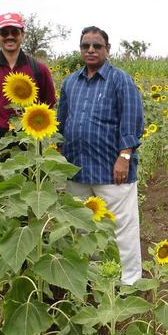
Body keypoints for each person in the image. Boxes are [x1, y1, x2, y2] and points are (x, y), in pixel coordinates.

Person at [57, 26, 145, 285]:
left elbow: (132, 120)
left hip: (111, 168)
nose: (91, 50)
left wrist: (124, 157)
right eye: (86, 46)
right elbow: (62, 120)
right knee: (84, 226)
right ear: (80, 49)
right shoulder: (71, 82)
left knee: (122, 227)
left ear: (108, 49)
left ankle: (130, 281)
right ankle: (97, 277)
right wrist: (60, 158)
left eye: (97, 46)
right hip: (77, 167)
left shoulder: (120, 80)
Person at [0, 12, 56, 143]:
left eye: (15, 32)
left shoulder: (39, 70)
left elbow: (49, 110)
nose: (10, 37)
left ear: (22, 35)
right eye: (4, 33)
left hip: (29, 143)